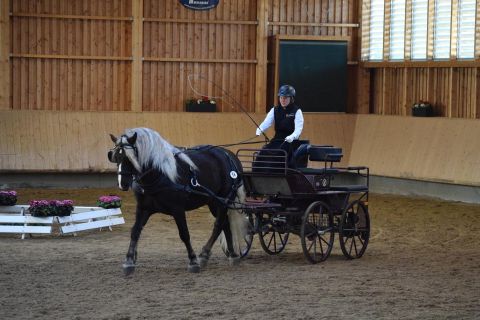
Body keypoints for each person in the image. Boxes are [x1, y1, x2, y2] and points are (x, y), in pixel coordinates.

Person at [254, 84, 304, 170]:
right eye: (281, 97)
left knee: (278, 154)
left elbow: (298, 129)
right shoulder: (275, 110)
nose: (282, 100)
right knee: (263, 152)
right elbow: (267, 122)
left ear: (291, 98)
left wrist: (292, 136)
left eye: (285, 98)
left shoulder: (297, 111)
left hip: (290, 142)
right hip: (277, 139)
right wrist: (260, 129)